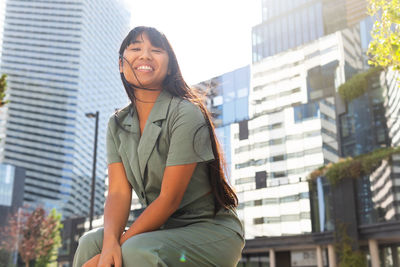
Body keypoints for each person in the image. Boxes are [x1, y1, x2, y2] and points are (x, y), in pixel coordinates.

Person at [72, 26, 244, 267]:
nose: (145, 55)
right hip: (162, 230)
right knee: (91, 241)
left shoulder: (186, 113)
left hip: (210, 230)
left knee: (134, 250)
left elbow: (169, 199)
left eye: (155, 50)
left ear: (170, 66)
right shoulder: (117, 124)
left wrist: (111, 252)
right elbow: (118, 192)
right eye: (135, 48)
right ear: (121, 64)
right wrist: (110, 242)